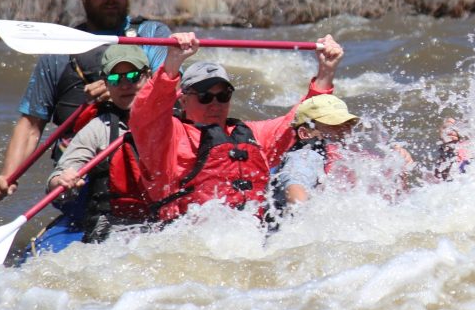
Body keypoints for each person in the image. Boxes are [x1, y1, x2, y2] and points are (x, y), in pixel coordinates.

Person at [0, 0, 171, 203]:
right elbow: (30, 126)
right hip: (82, 181)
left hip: (145, 174)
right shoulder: (58, 51)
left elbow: (173, 92)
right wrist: (7, 177)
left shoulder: (151, 34)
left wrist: (121, 88)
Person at [128, 32, 344, 222]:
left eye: (223, 96)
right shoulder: (168, 137)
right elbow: (146, 114)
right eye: (205, 96)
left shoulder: (251, 134)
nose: (215, 103)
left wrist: (326, 72)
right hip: (190, 239)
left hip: (249, 238)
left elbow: (300, 118)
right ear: (183, 101)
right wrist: (172, 63)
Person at [44, 45, 152, 243]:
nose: (125, 85)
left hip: (162, 220)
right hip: (113, 224)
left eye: (133, 76)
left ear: (148, 76)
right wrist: (61, 181)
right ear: (106, 84)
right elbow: (58, 177)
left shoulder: (170, 118)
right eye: (114, 79)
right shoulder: (97, 128)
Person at [271, 94, 414, 208]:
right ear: (305, 133)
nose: (343, 129)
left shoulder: (353, 157)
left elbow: (395, 201)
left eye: (347, 123)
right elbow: (296, 191)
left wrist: (400, 171)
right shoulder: (305, 156)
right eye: (333, 124)